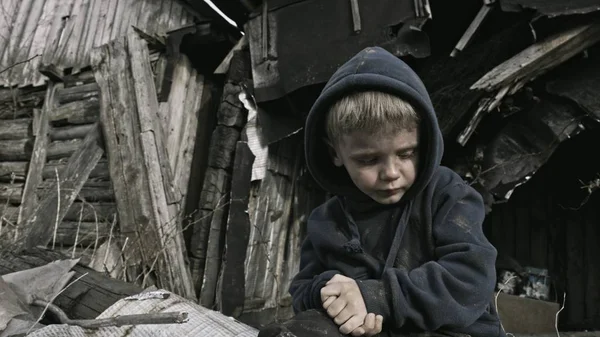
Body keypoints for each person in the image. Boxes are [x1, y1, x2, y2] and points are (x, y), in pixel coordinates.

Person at [258, 46, 505, 337]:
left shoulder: (448, 195)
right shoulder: (325, 221)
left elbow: (470, 280)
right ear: (335, 153)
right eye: (368, 160)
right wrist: (334, 296)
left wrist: (374, 297)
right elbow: (302, 290)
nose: (391, 173)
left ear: (423, 143)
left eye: (406, 153)